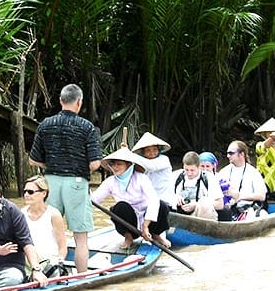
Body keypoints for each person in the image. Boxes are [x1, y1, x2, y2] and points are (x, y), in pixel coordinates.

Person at [29, 83, 103, 273]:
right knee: (80, 238)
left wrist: (52, 165)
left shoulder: (45, 124)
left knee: (49, 231)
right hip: (77, 184)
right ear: (79, 102)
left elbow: (33, 160)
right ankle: (81, 278)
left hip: (49, 183)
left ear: (61, 101)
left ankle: (42, 271)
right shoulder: (87, 127)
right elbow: (95, 164)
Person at [91, 146, 171, 248]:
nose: (115, 167)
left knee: (161, 205)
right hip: (129, 220)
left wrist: (145, 226)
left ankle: (155, 235)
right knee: (120, 207)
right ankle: (128, 237)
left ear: (128, 165)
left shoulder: (141, 178)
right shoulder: (110, 181)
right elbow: (94, 199)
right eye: (113, 164)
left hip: (148, 219)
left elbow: (154, 200)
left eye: (119, 164)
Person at [21, 175, 68, 277]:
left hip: (49, 261)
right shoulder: (21, 214)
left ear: (43, 193)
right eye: (24, 192)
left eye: (30, 192)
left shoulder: (54, 214)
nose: (26, 195)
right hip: (30, 261)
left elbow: (62, 247)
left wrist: (59, 263)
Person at [217, 141, 268, 221]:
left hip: (247, 208)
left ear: (242, 154)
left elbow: (262, 196)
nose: (228, 156)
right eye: (227, 153)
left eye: (231, 153)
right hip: (228, 208)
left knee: (260, 214)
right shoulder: (224, 171)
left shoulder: (253, 172)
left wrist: (240, 197)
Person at [170, 151, 224, 219]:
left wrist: (196, 205)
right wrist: (174, 198)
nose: (189, 173)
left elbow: (220, 204)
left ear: (199, 167)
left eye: (192, 170)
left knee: (204, 203)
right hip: (179, 214)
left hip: (201, 215)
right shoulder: (175, 175)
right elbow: (164, 196)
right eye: (186, 170)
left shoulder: (208, 177)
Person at [131, 132, 173, 204]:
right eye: (148, 150)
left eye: (154, 149)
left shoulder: (164, 159)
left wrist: (130, 154)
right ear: (143, 153)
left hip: (164, 199)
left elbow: (151, 166)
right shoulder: (141, 163)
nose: (152, 152)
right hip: (146, 200)